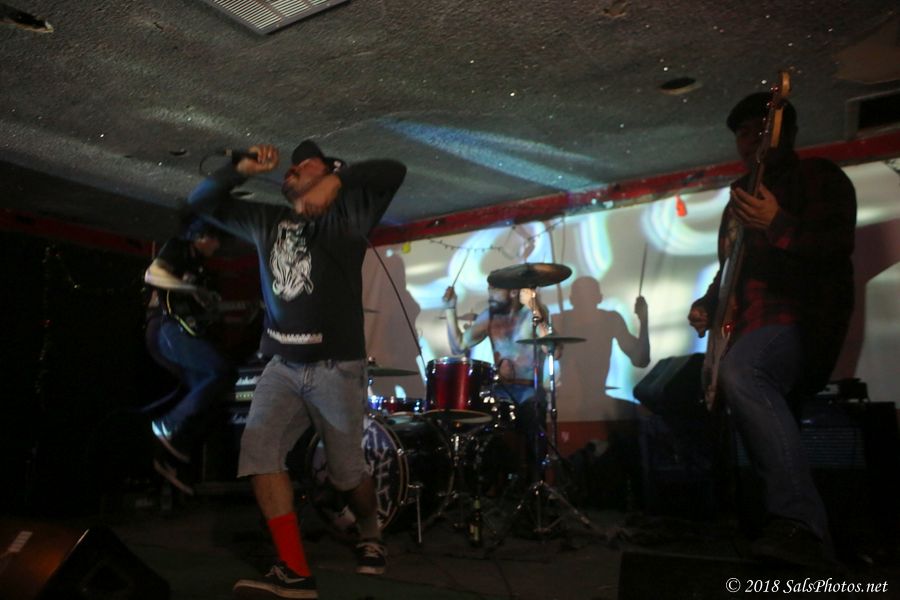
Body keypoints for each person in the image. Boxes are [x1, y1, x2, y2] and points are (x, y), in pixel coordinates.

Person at [188, 139, 406, 599]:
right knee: (258, 453)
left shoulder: (349, 217)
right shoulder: (266, 220)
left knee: (346, 475)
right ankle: (294, 570)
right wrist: (239, 169)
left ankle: (370, 531)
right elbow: (202, 202)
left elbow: (392, 168)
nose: (293, 169)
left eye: (307, 165)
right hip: (281, 366)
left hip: (336, 369)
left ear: (331, 171)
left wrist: (337, 183)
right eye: (292, 167)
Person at [687, 92, 856, 567]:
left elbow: (835, 245)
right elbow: (729, 271)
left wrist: (777, 222)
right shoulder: (737, 199)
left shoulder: (819, 176)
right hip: (742, 329)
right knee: (676, 391)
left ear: (788, 132)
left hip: (796, 321)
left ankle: (802, 524)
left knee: (744, 372)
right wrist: (706, 305)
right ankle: (732, 517)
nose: (750, 140)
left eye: (760, 129)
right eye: (742, 133)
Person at [143, 217, 235, 496]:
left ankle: (171, 456)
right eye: (215, 241)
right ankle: (166, 425)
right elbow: (152, 274)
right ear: (201, 236)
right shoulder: (178, 248)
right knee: (222, 372)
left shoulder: (199, 267)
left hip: (177, 333)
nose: (217, 247)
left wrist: (212, 307)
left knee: (210, 395)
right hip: (165, 329)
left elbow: (196, 313)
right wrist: (193, 289)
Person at [442, 284, 552, 482]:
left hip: (529, 389)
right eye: (489, 289)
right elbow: (459, 346)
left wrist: (535, 308)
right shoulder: (490, 316)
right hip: (501, 391)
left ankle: (536, 483)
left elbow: (550, 348)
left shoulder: (532, 314)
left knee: (534, 428)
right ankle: (493, 482)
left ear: (513, 291)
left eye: (495, 290)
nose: (490, 294)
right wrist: (450, 308)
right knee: (486, 432)